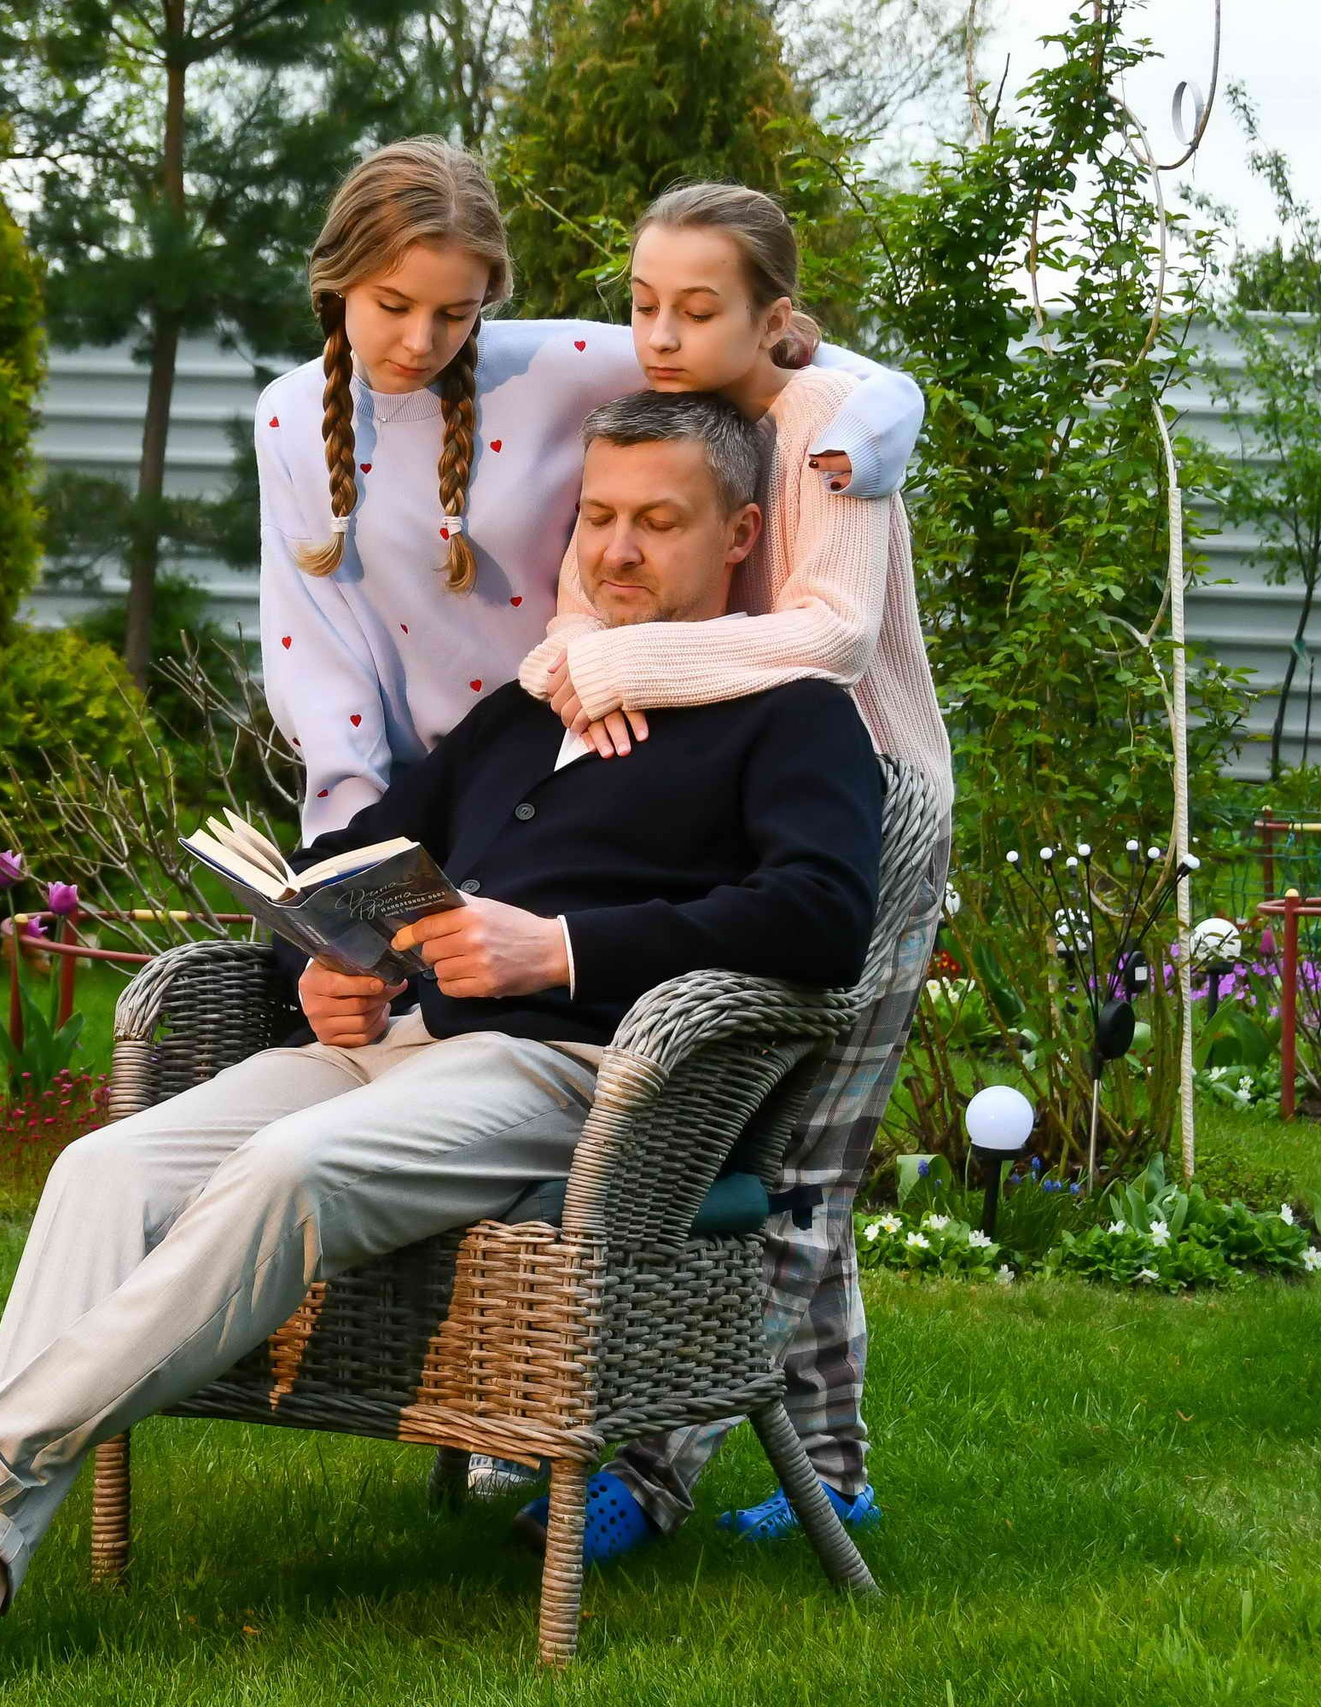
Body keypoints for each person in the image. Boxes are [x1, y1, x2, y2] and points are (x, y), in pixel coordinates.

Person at [0, 392, 888, 1683]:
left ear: (740, 533)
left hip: (575, 1071)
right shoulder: (529, 707)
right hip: (389, 1039)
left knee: (291, 1170)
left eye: (660, 522)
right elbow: (360, 851)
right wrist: (320, 962)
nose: (618, 549)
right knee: (103, 1167)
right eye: (601, 518)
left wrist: (559, 949)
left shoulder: (789, 713)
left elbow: (823, 916)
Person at [506, 182, 951, 1562]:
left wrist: (618, 667)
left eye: (699, 310)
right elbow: (575, 620)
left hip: (864, 816)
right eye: (643, 303)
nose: (661, 333)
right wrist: (573, 678)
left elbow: (826, 635)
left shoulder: (826, 429)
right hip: (727, 817)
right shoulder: (668, 427)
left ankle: (649, 1474)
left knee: (789, 1163)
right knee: (737, 1147)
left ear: (776, 316)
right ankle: (830, 1472)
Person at [257, 137, 924, 844]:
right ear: (336, 279)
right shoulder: (287, 418)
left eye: (456, 313)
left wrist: (889, 407)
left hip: (592, 759)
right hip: (435, 791)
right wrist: (349, 837)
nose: (422, 341)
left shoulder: (553, 367)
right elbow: (318, 651)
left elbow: (781, 358)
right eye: (393, 304)